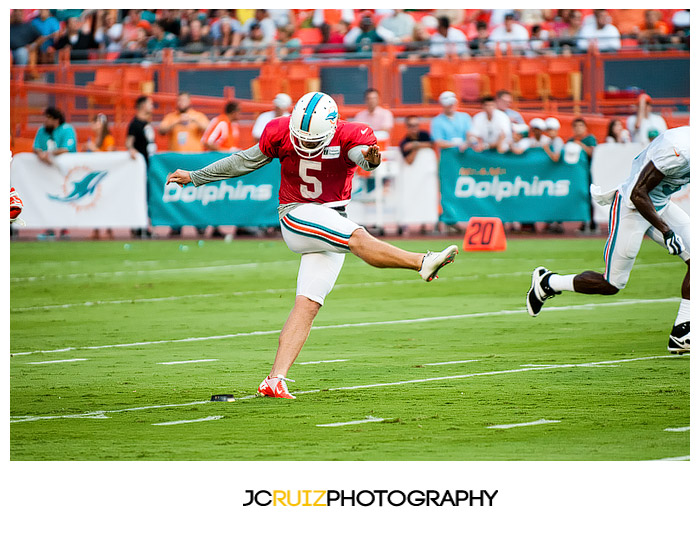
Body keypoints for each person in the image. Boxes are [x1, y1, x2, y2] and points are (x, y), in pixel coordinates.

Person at [165, 91, 459, 399]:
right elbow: (243, 161)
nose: (305, 145)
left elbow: (364, 159)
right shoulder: (279, 131)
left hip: (332, 216)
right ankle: (421, 262)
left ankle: (275, 379)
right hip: (297, 213)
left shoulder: (352, 133)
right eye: (300, 137)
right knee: (357, 238)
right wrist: (196, 177)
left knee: (308, 302)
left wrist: (370, 159)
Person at [526, 126, 690, 354]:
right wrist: (667, 231)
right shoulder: (680, 149)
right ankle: (549, 282)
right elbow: (637, 193)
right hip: (632, 207)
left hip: (661, 204)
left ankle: (682, 332)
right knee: (612, 284)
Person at [126, 95, 157, 239]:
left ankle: (144, 225)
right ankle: (138, 226)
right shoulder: (135, 124)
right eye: (150, 104)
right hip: (140, 168)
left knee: (147, 196)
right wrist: (131, 150)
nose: (152, 106)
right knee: (140, 195)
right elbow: (129, 142)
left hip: (149, 165)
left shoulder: (147, 123)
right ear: (142, 105)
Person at [568, 117, 598, 234]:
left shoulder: (590, 139)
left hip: (589, 173)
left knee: (591, 197)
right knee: (580, 197)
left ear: (585, 127)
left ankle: (592, 223)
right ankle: (584, 222)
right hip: (577, 176)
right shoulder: (570, 141)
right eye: (576, 126)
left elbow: (592, 153)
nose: (578, 129)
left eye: (581, 126)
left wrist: (580, 145)